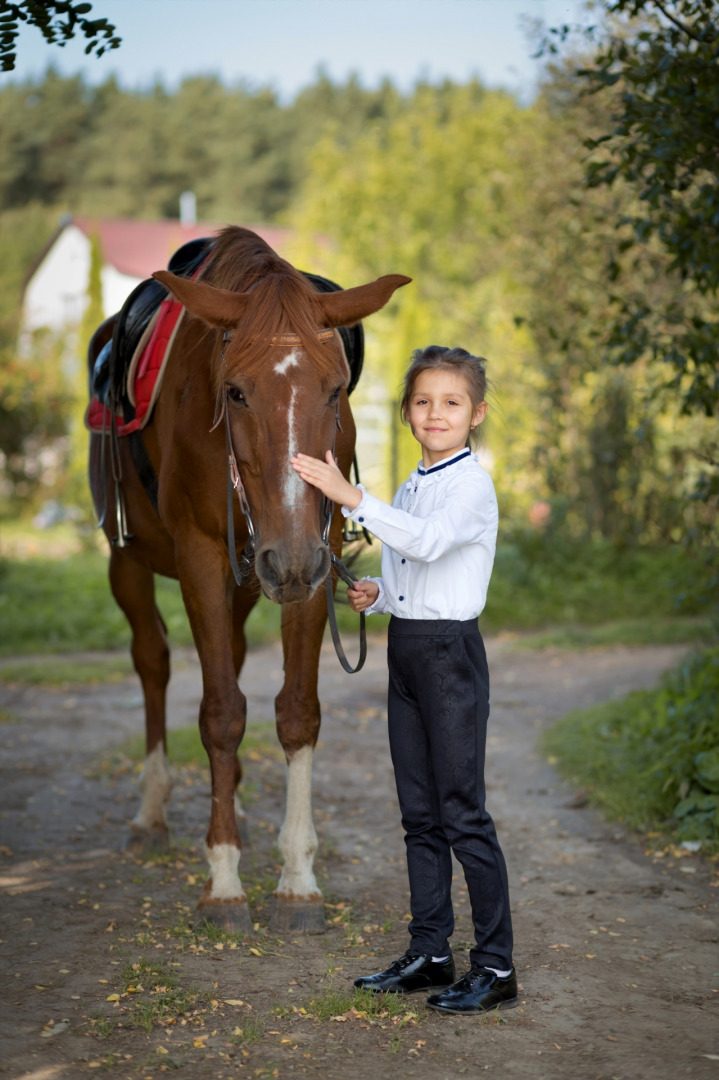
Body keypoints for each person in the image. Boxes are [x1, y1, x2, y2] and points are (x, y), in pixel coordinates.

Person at [290, 345, 515, 1016]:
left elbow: (429, 542)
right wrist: (379, 595)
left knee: (461, 814)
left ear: (475, 413)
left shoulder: (471, 484)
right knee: (418, 815)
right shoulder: (417, 483)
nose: (435, 412)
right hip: (409, 648)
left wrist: (351, 498)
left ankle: (496, 966)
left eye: (450, 402)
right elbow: (416, 568)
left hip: (448, 655)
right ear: (407, 412)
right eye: (422, 401)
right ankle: (431, 951)